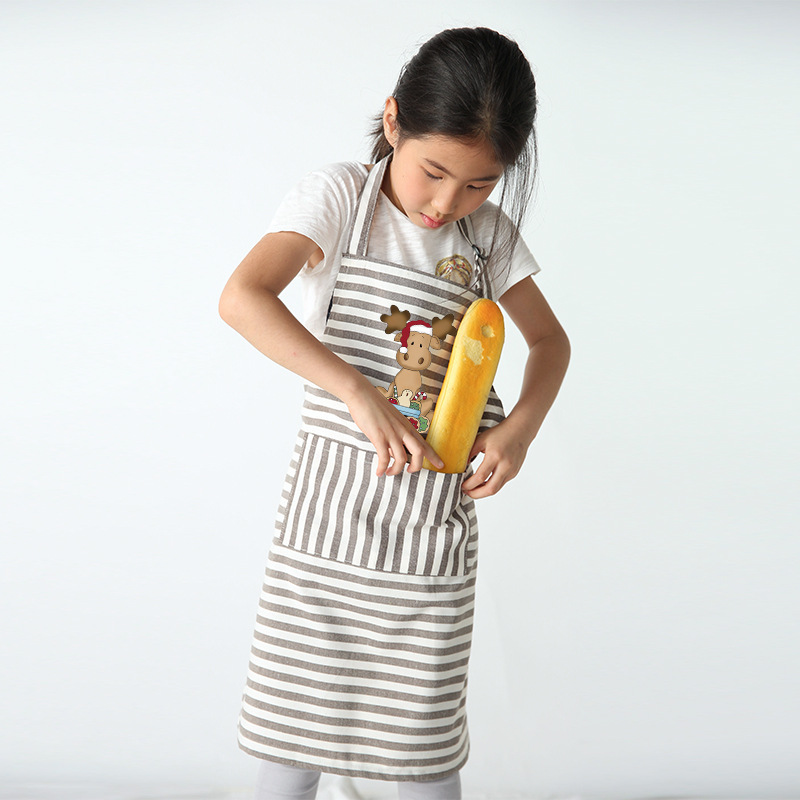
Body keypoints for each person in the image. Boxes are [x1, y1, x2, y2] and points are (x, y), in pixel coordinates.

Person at [219, 26, 570, 800]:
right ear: (392, 123)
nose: (448, 203)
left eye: (480, 184)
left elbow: (550, 343)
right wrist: (354, 389)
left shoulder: (487, 240)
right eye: (434, 171)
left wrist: (519, 430)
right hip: (324, 537)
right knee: (288, 753)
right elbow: (242, 299)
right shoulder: (341, 199)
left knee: (421, 763)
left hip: (426, 547)